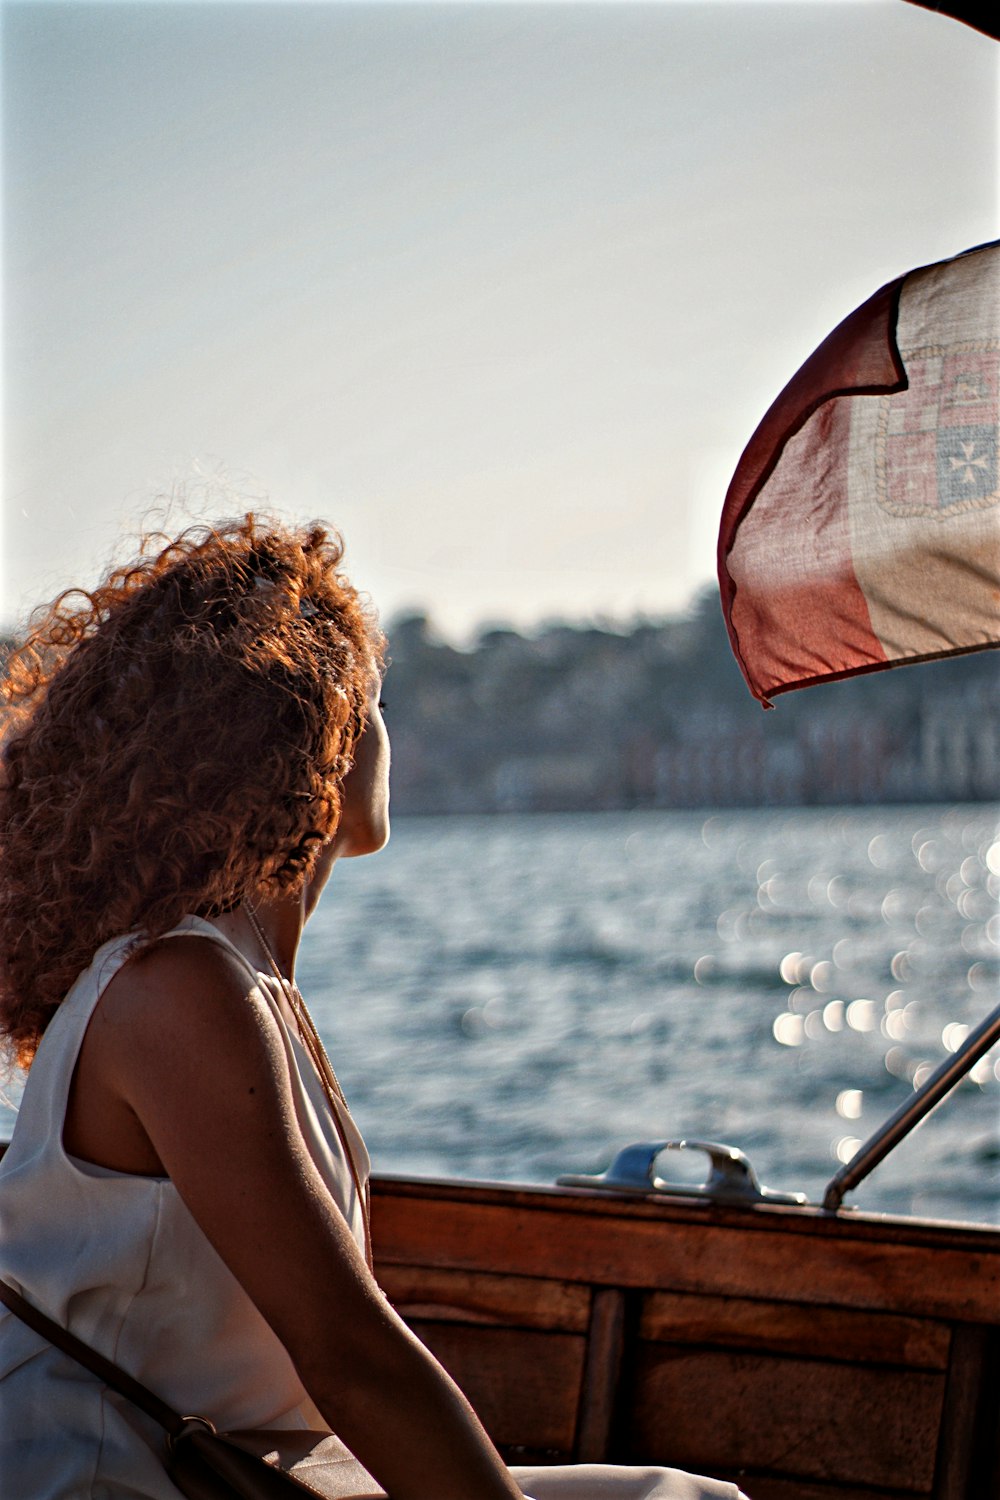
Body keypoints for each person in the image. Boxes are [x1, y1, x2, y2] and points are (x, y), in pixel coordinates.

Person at [0, 515, 748, 1500]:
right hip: (126, 1477)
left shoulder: (241, 979)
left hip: (239, 1463)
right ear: (320, 729)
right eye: (378, 701)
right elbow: (350, 1355)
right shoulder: (177, 990)